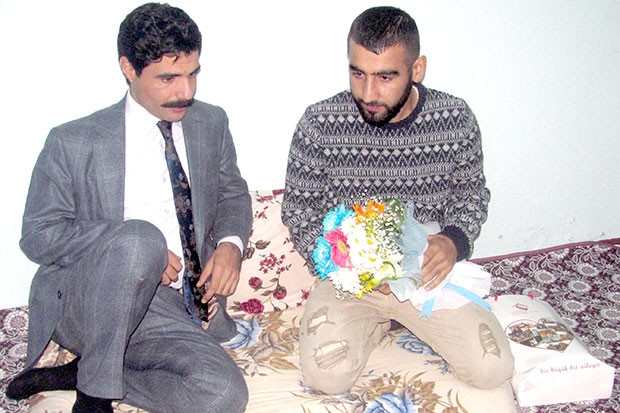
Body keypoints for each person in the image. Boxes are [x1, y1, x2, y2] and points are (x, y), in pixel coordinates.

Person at [6, 3, 251, 412]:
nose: (186, 92)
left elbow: (232, 194)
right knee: (141, 239)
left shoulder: (210, 122)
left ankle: (89, 371)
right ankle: (94, 396)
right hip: (91, 302)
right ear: (129, 68)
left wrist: (230, 245)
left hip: (167, 306)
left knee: (224, 395)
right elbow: (38, 236)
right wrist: (134, 251)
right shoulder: (73, 141)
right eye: (168, 78)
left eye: (193, 74)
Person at [282, 6, 514, 395]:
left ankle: (402, 319)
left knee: (493, 369)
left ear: (416, 69)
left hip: (426, 274)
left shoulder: (454, 119)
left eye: (386, 77)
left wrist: (452, 242)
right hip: (350, 278)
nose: (368, 93)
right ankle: (374, 322)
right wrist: (348, 269)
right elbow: (299, 210)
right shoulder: (319, 123)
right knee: (327, 377)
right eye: (358, 73)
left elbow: (471, 194)